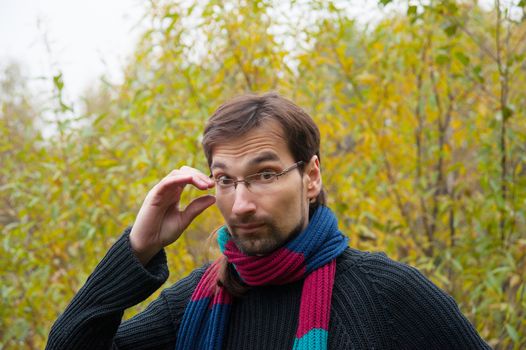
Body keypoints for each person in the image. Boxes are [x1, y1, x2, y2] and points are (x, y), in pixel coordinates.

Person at [46, 92, 490, 349]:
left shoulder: (388, 295)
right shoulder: (194, 302)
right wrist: (137, 249)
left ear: (310, 176)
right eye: (225, 180)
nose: (240, 204)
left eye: (264, 175)